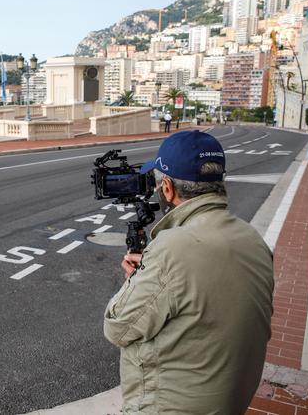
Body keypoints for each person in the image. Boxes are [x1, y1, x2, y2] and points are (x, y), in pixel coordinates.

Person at [103, 131, 274, 414]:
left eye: (158, 183)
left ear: (167, 188)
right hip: (233, 399)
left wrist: (136, 281)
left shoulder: (171, 248)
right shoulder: (253, 239)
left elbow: (117, 328)